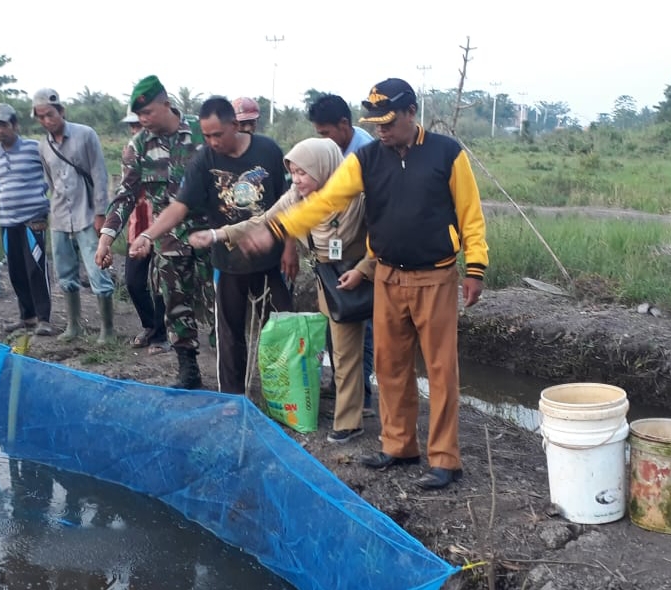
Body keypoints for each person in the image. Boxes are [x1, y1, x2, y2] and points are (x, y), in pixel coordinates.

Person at [236, 78, 489, 490]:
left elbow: (471, 216)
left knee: (441, 370)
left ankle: (445, 459)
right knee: (390, 365)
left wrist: (475, 267)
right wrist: (278, 227)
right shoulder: (367, 159)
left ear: (411, 112)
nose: (381, 130)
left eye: (389, 122)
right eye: (376, 123)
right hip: (387, 276)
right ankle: (399, 446)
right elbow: (325, 201)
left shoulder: (447, 154)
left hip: (436, 277)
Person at [190, 138, 373, 443]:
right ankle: (347, 407)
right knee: (336, 344)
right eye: (294, 172)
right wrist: (217, 234)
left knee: (348, 348)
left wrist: (363, 270)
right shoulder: (297, 197)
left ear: (324, 168)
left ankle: (350, 420)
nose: (297, 179)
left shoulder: (356, 198)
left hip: (357, 275)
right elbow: (265, 220)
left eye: (304, 172)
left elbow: (380, 239)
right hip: (327, 275)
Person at [131, 97, 294, 395]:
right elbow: (179, 207)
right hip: (228, 262)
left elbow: (288, 203)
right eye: (206, 136)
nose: (212, 141)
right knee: (230, 336)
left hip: (270, 260)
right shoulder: (204, 160)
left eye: (217, 134)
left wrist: (289, 247)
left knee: (281, 329)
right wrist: (147, 235)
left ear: (234, 125)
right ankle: (232, 397)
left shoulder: (267, 150)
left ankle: (284, 395)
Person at [95, 76, 214, 389]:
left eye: (147, 112)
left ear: (166, 104)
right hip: (169, 238)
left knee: (221, 308)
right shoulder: (138, 147)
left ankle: (232, 376)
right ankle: (188, 371)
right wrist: (106, 238)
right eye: (139, 115)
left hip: (211, 234)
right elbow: (125, 195)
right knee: (175, 306)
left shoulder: (202, 132)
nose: (143, 120)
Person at [308, 93, 377, 417]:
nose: (322, 140)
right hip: (332, 255)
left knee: (358, 321)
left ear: (344, 125)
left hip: (362, 255)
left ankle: (361, 397)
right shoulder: (330, 153)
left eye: (325, 133)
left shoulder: (365, 154)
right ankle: (340, 385)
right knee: (337, 318)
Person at [33, 87, 115, 344]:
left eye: (51, 114)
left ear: (61, 111)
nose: (47, 120)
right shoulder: (43, 146)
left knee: (96, 269)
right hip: (59, 216)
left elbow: (100, 174)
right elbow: (50, 181)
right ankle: (74, 325)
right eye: (41, 116)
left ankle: (108, 330)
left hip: (86, 214)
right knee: (65, 271)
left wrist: (100, 212)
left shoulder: (85, 135)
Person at [0, 103, 54, 336]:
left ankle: (44, 319)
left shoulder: (35, 148)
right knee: (15, 269)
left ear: (15, 125)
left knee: (36, 268)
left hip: (33, 217)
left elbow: (51, 172)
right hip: (6, 219)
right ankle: (28, 317)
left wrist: (41, 192)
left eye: (3, 125)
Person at [117, 109, 168, 353]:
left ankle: (161, 334)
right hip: (137, 226)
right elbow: (124, 192)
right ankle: (149, 325)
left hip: (163, 227)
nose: (136, 131)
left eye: (139, 126)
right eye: (133, 127)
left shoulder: (165, 153)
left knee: (160, 283)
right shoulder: (130, 153)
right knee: (134, 282)